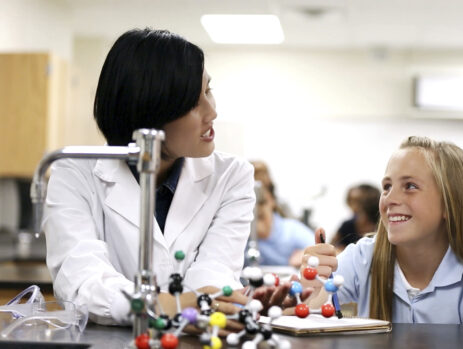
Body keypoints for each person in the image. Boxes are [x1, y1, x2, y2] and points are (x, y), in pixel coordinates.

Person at [43, 28, 303, 329]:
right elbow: (81, 280)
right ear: (149, 111)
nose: (212, 112)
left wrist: (181, 306)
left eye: (208, 91)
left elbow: (214, 274)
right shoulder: (74, 172)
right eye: (193, 103)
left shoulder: (232, 176)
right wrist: (167, 305)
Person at [301, 136, 463, 325]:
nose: (390, 199)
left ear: (450, 203)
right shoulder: (363, 257)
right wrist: (310, 293)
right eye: (387, 187)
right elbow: (302, 314)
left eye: (410, 186)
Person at [254, 185, 314, 267]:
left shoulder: (291, 230)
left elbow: (325, 252)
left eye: (261, 217)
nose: (259, 228)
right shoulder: (245, 238)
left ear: (271, 201)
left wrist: (308, 255)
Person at [331, 184, 380, 251]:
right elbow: (331, 246)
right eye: (351, 201)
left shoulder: (382, 226)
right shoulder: (347, 225)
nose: (354, 207)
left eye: (358, 202)